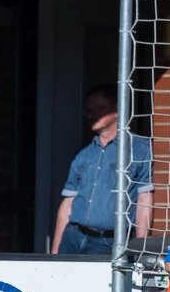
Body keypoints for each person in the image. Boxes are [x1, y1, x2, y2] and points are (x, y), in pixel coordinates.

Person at [52, 84, 153, 254]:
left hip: (107, 241)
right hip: (73, 237)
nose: (92, 114)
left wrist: (140, 247)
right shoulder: (84, 154)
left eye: (100, 108)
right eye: (89, 110)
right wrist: (55, 251)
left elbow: (144, 200)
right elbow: (68, 203)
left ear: (117, 110)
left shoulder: (139, 148)